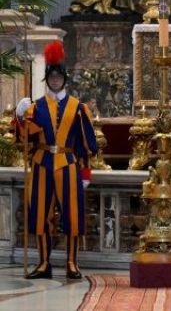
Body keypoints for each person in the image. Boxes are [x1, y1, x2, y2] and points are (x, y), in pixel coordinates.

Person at [15, 41, 98, 280]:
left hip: (69, 164)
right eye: (51, 77)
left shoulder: (78, 107)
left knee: (72, 215)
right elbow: (24, 140)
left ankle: (72, 262)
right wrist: (21, 118)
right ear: (47, 80)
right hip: (42, 164)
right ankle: (43, 263)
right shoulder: (35, 107)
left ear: (64, 79)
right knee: (41, 215)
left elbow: (86, 144)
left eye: (58, 77)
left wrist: (85, 173)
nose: (54, 81)